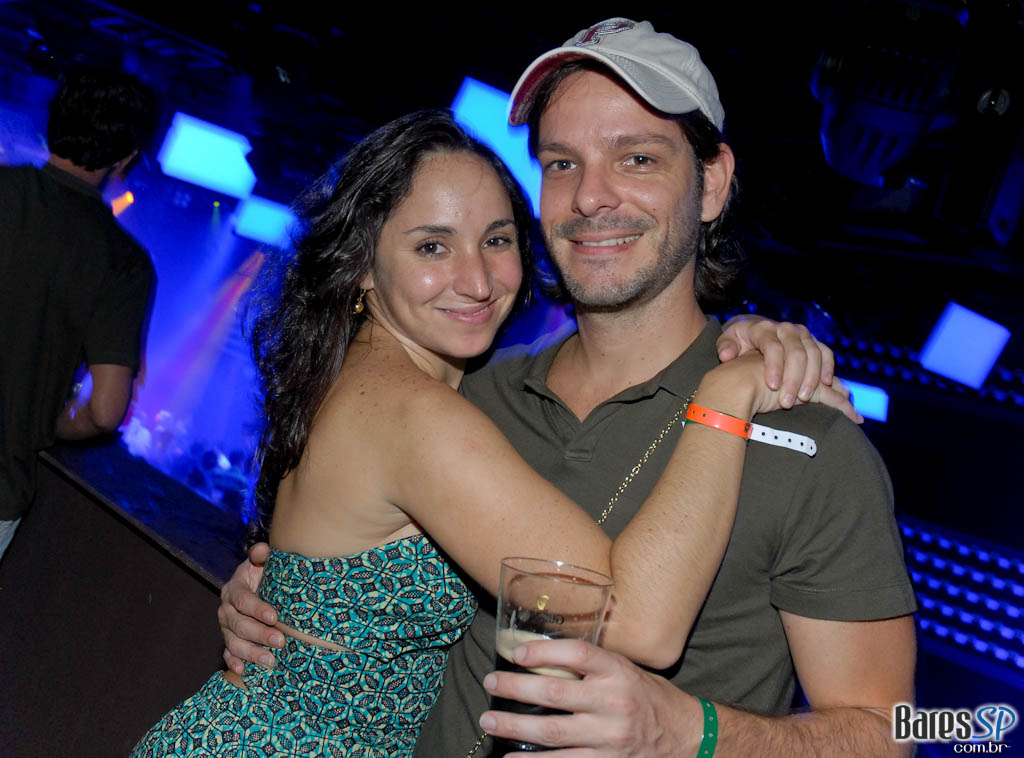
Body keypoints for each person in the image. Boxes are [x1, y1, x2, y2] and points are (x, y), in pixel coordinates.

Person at [221, 18, 918, 758]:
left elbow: (897, 734)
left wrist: (690, 731)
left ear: (712, 184)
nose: (590, 197)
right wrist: (280, 594)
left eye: (637, 158)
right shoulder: (474, 394)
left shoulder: (811, 443)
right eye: (562, 163)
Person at [0, 66, 157, 562]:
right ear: (126, 157)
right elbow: (106, 411)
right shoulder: (123, 262)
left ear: (54, 122)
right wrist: (41, 420)